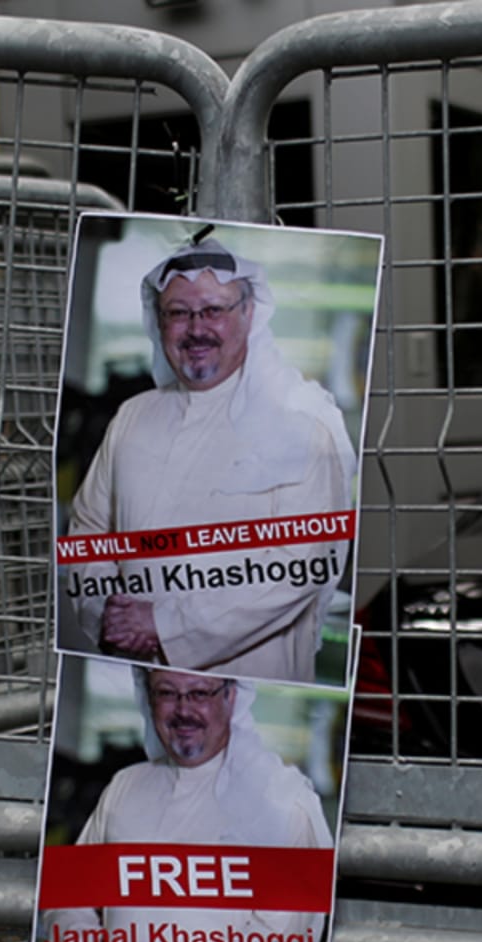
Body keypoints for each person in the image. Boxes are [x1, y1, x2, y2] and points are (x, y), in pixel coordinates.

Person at [63, 232, 357, 684]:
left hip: (255, 687)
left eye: (213, 311)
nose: (196, 328)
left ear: (249, 315)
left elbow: (301, 567)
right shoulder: (132, 416)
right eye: (178, 313)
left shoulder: (303, 425)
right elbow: (88, 532)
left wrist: (163, 625)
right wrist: (108, 614)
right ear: (159, 323)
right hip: (142, 682)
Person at [41, 667, 331, 942]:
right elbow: (68, 898)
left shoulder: (284, 802)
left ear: (231, 697)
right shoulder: (125, 787)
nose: (183, 710)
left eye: (199, 693)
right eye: (167, 693)